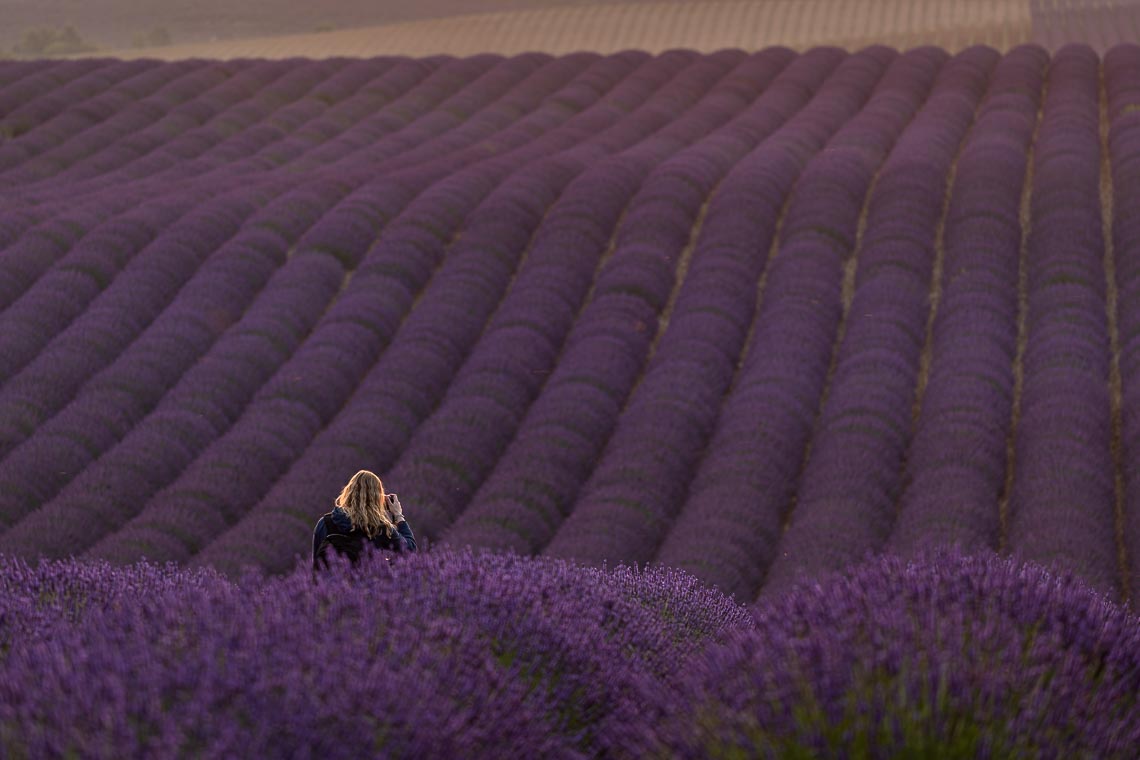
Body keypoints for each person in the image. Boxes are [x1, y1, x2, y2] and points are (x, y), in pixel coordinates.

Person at [313, 470, 417, 569]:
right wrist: (398, 515)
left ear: (348, 492)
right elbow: (409, 550)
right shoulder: (379, 528)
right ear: (377, 499)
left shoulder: (324, 523)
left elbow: (316, 565)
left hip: (329, 585)